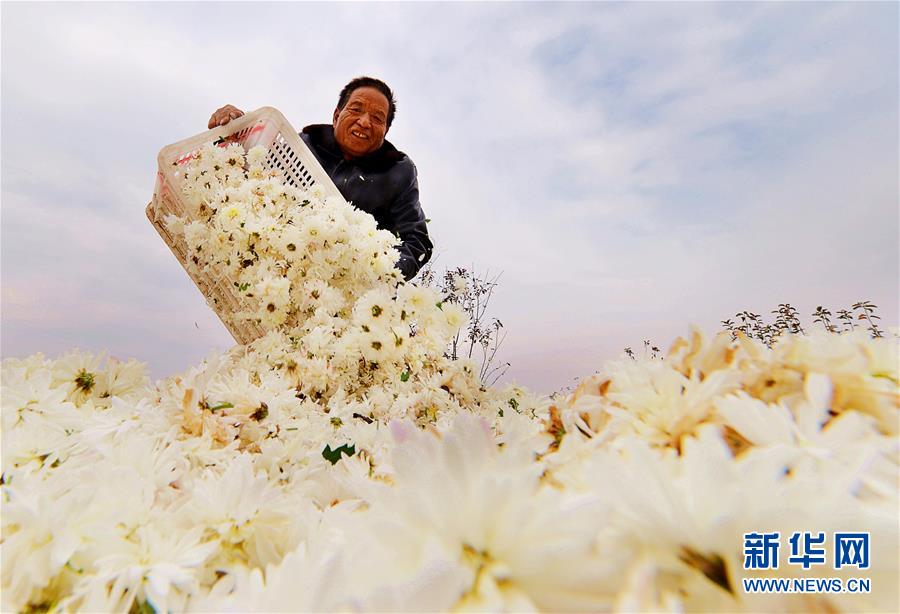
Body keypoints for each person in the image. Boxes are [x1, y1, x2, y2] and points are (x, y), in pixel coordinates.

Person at [208, 77, 433, 281]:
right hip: (273, 268)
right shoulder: (301, 145)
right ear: (336, 116)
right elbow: (252, 172)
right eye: (356, 109)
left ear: (384, 131)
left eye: (377, 118)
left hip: (339, 286)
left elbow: (416, 241)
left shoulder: (398, 171)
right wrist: (234, 126)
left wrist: (378, 275)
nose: (365, 122)